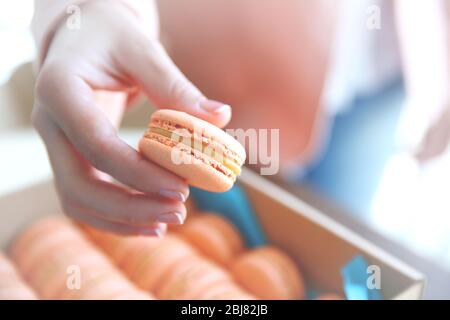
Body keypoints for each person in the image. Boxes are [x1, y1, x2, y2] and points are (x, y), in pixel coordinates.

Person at [30, 0, 450, 234]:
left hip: (394, 75)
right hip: (233, 72)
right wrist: (85, 10)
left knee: (333, 232)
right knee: (215, 230)